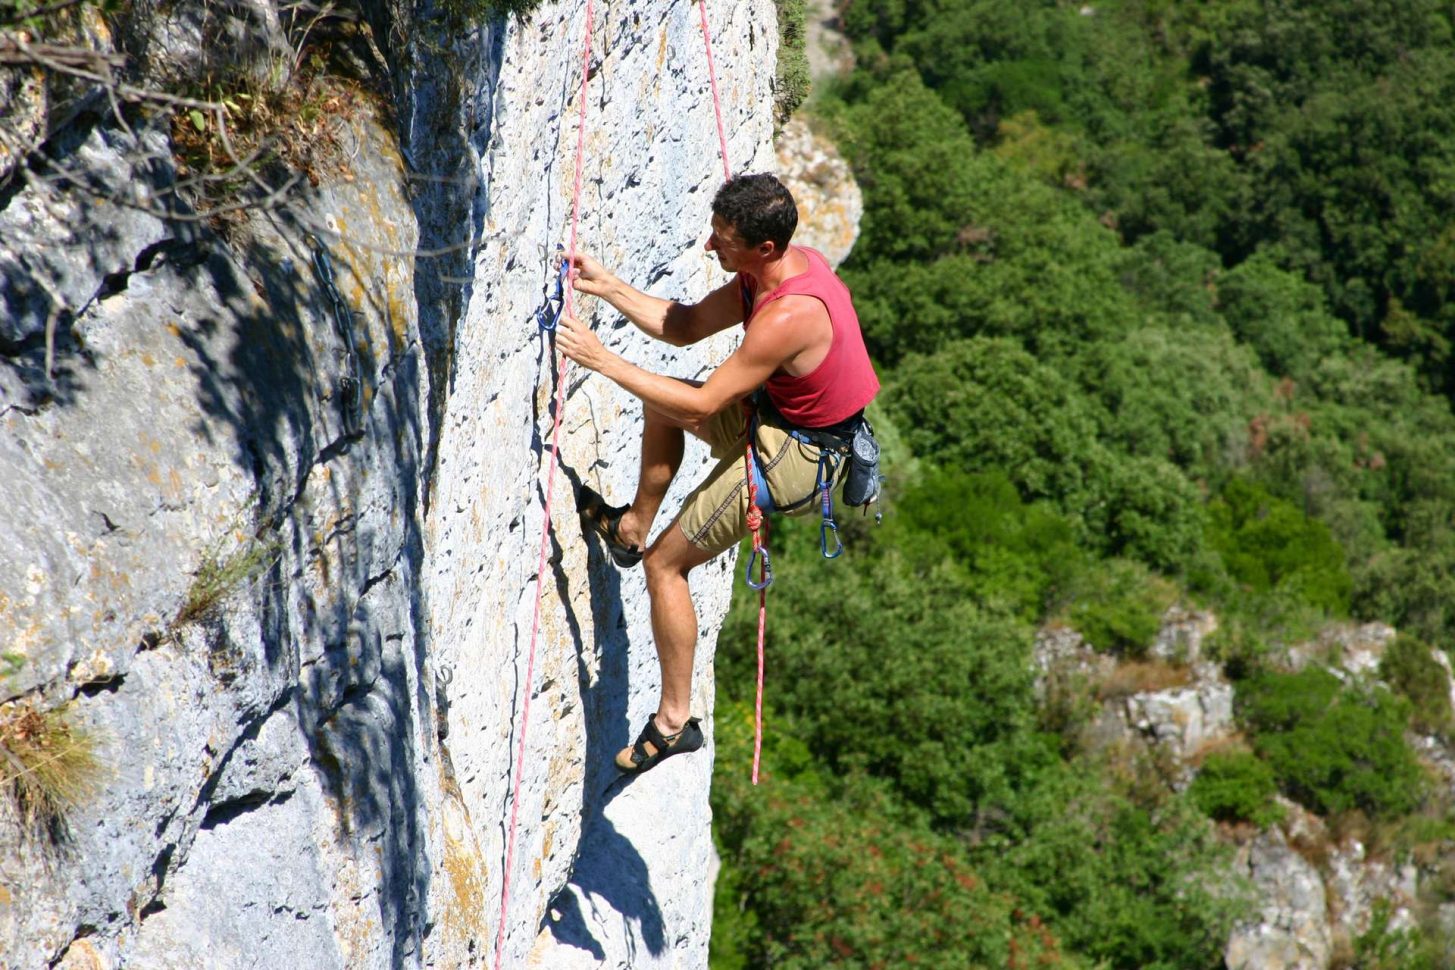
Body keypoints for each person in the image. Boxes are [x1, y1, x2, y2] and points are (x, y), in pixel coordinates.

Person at [554, 172, 879, 774]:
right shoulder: (771, 273)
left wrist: (600, 359)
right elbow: (683, 328)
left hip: (800, 458)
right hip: (778, 421)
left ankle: (674, 722)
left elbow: (704, 407)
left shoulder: (787, 315)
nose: (710, 247)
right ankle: (631, 526)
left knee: (666, 565)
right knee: (662, 401)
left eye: (723, 239)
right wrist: (607, 288)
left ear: (764, 248)